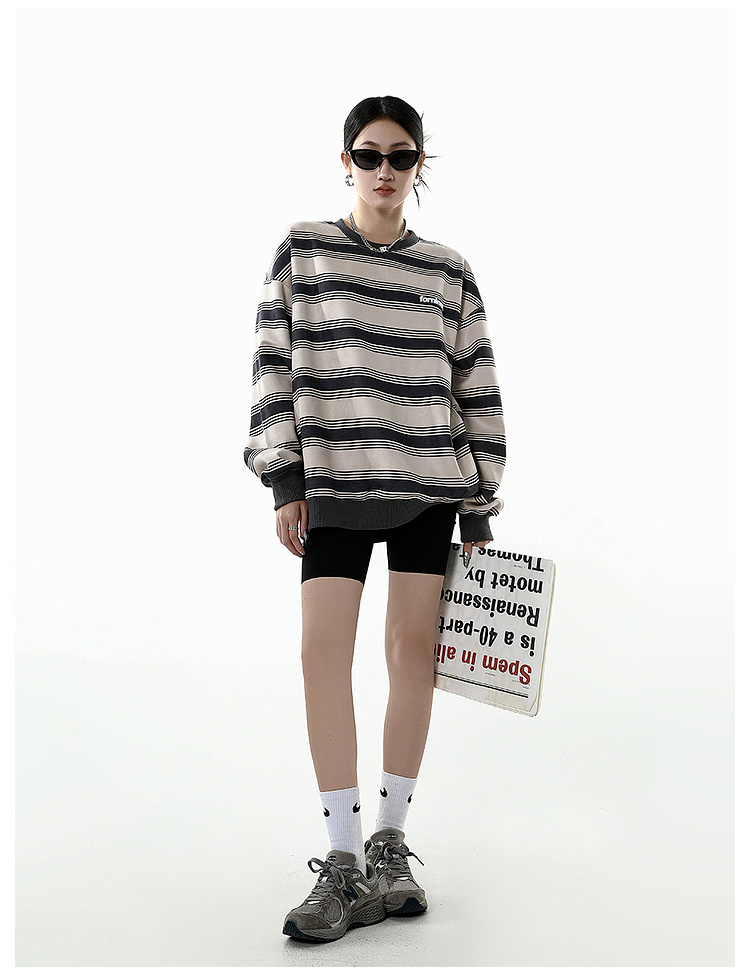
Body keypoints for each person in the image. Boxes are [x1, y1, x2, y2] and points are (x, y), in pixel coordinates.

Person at [244, 95, 506, 942]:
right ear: (346, 161)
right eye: (368, 154)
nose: (383, 170)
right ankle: (344, 856)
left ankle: (391, 845)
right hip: (336, 485)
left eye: (400, 156)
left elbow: (475, 384)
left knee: (410, 654)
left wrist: (478, 509)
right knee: (320, 651)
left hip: (429, 486)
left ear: (420, 164)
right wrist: (285, 479)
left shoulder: (449, 269)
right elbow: (272, 363)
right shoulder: (304, 249)